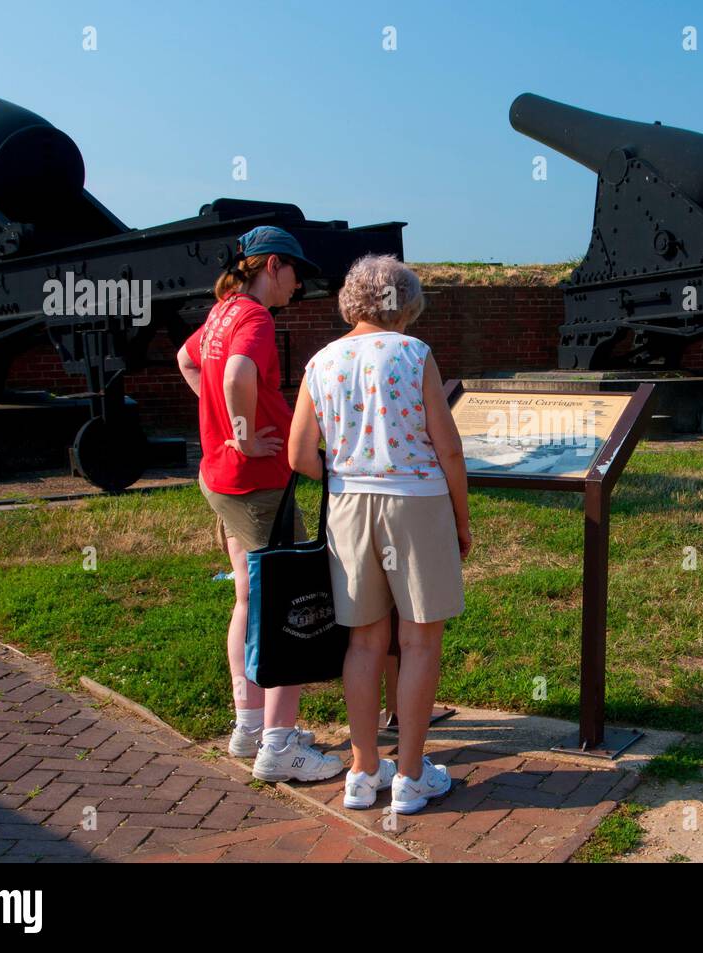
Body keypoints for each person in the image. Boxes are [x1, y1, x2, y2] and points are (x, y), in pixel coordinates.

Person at [287, 254, 470, 814]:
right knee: (418, 641)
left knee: (363, 642)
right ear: (404, 302)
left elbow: (299, 454)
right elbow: (450, 447)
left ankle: (363, 770)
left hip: (348, 505)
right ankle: (412, 775)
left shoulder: (322, 360)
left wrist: (347, 471)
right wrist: (461, 521)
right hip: (415, 502)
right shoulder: (414, 354)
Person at [177, 225, 342, 783]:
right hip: (257, 482)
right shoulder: (254, 318)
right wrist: (244, 431)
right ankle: (278, 747)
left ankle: (250, 725)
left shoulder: (222, 310)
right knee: (286, 605)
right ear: (273, 264)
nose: (299, 286)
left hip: (222, 479)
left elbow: (187, 358)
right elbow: (240, 373)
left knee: (249, 599)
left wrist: (221, 421)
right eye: (297, 274)